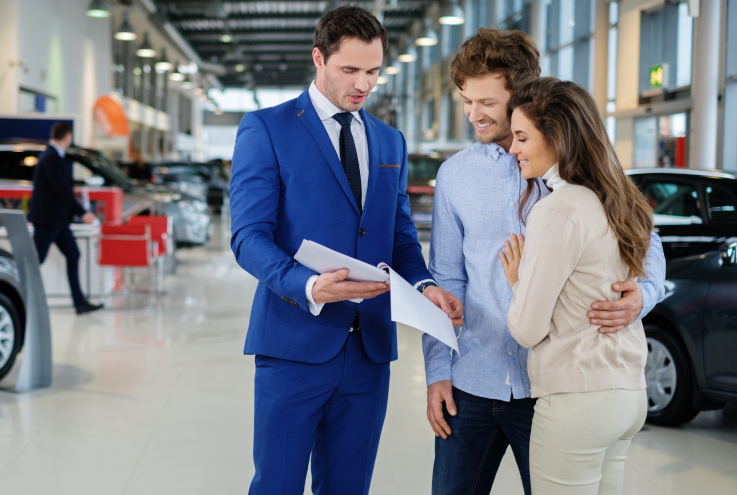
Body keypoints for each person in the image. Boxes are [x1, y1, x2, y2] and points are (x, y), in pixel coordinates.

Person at [230, 6, 463, 494]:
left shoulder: (389, 141)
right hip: (293, 342)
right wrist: (309, 285)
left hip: (368, 351)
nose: (363, 84)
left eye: (374, 71)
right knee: (277, 484)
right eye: (350, 70)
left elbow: (399, 235)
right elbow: (249, 237)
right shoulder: (267, 128)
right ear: (319, 58)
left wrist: (424, 286)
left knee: (349, 487)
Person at [423, 28, 666, 495]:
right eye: (466, 101)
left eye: (487, 102)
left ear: (522, 94)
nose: (474, 114)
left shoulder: (580, 169)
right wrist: (437, 372)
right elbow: (447, 277)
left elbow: (644, 243)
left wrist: (644, 295)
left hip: (552, 388)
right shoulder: (454, 176)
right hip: (472, 381)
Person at [500, 77, 652, 494]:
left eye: (521, 137)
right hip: (627, 394)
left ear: (556, 137)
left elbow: (527, 329)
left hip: (578, 398)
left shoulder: (557, 211)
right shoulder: (619, 199)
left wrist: (517, 281)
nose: (512, 148)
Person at [28, 122, 103, 315]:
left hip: (57, 221)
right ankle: (23, 297)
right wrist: (83, 212)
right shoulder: (52, 157)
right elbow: (61, 191)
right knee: (35, 261)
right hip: (48, 221)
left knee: (73, 254)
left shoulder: (50, 156)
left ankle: (79, 302)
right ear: (68, 136)